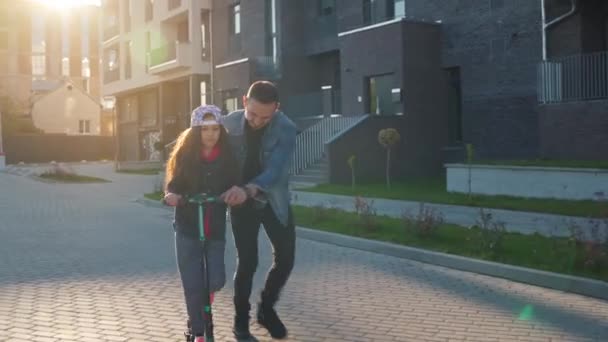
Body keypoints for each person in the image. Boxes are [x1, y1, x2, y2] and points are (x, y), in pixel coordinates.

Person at [222, 81, 298, 340]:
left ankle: (266, 309)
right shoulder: (227, 125)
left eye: (265, 117)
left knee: (286, 258)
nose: (257, 121)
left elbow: (275, 171)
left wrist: (250, 188)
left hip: (272, 198)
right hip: (241, 203)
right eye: (253, 114)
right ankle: (240, 323)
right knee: (248, 262)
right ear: (244, 101)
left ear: (276, 109)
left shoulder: (286, 128)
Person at [164, 105, 240, 342]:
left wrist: (233, 193)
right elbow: (173, 186)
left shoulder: (227, 157)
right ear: (196, 131)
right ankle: (197, 330)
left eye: (215, 129)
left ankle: (200, 312)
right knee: (193, 283)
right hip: (188, 228)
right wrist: (171, 196)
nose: (210, 134)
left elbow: (235, 182)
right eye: (205, 129)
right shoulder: (186, 156)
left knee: (216, 279)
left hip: (214, 227)